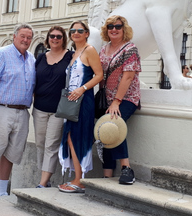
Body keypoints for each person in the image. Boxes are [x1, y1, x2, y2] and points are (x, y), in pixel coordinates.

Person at [0, 23, 36, 198]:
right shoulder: (2, 54)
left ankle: (2, 192)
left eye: (29, 37)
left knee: (10, 155)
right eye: (23, 36)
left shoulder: (31, 58)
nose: (25, 40)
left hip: (22, 112)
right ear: (14, 36)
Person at [58, 21, 103, 193]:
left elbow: (99, 75)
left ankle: (80, 180)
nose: (76, 33)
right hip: (71, 102)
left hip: (83, 101)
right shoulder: (73, 53)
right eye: (73, 31)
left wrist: (82, 88)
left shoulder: (89, 50)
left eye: (80, 30)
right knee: (70, 137)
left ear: (86, 34)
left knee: (77, 136)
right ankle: (77, 177)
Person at [98, 15, 141, 185]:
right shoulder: (103, 49)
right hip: (107, 99)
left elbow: (128, 76)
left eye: (117, 26)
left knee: (114, 124)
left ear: (124, 29)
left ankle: (126, 168)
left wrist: (116, 101)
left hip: (127, 98)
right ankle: (107, 174)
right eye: (110, 26)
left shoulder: (130, 49)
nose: (114, 29)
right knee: (104, 131)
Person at [32, 26, 73, 189]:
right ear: (48, 38)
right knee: (40, 143)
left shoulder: (70, 56)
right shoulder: (41, 57)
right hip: (39, 107)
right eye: (52, 36)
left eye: (58, 36)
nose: (55, 39)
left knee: (51, 144)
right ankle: (45, 179)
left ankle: (42, 183)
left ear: (64, 39)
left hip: (59, 109)